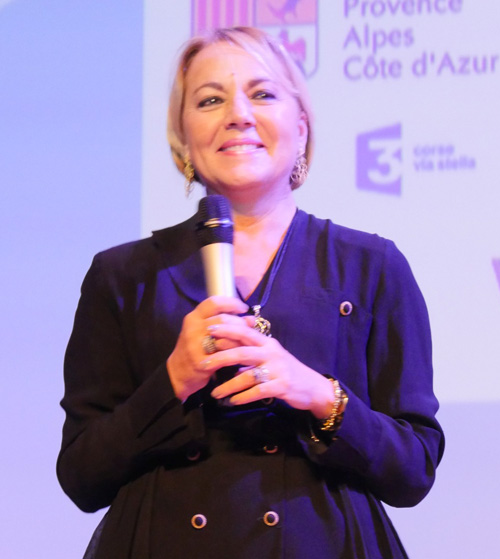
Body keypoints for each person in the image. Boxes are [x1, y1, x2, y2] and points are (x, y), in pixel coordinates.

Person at [57, 26, 444, 558]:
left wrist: (317, 393)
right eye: (210, 100)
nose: (238, 114)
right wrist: (173, 381)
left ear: (301, 127)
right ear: (182, 137)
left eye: (262, 94)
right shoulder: (122, 277)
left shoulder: (371, 266)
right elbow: (81, 476)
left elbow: (414, 469)